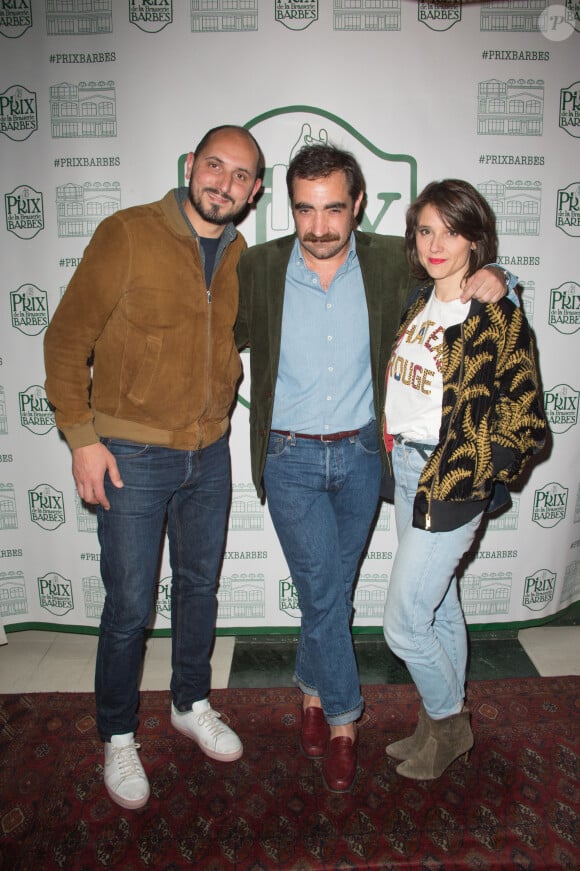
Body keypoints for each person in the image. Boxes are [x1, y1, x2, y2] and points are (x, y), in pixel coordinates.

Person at [235, 145, 512, 793]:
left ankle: (310, 687)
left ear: (357, 204)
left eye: (335, 207)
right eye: (306, 209)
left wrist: (501, 275)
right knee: (324, 590)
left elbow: (460, 263)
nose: (321, 224)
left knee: (329, 584)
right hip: (290, 454)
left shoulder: (393, 258)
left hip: (365, 454)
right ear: (290, 207)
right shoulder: (261, 267)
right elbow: (213, 336)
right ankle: (340, 718)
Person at [44, 125, 264, 810]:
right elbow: (65, 338)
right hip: (130, 455)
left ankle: (189, 700)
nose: (223, 183)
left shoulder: (240, 254)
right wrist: (82, 436)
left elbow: (231, 339)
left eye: (239, 175)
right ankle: (117, 734)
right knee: (131, 605)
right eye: (215, 166)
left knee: (200, 586)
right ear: (191, 165)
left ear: (254, 192)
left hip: (210, 452)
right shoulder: (128, 233)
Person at [381, 179, 546, 780]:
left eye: (451, 231)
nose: (436, 243)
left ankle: (450, 725)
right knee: (440, 606)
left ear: (476, 239)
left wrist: (478, 470)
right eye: (425, 230)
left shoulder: (495, 310)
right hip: (406, 469)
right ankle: (436, 722)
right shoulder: (418, 301)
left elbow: (526, 417)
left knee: (402, 623)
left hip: (450, 477)